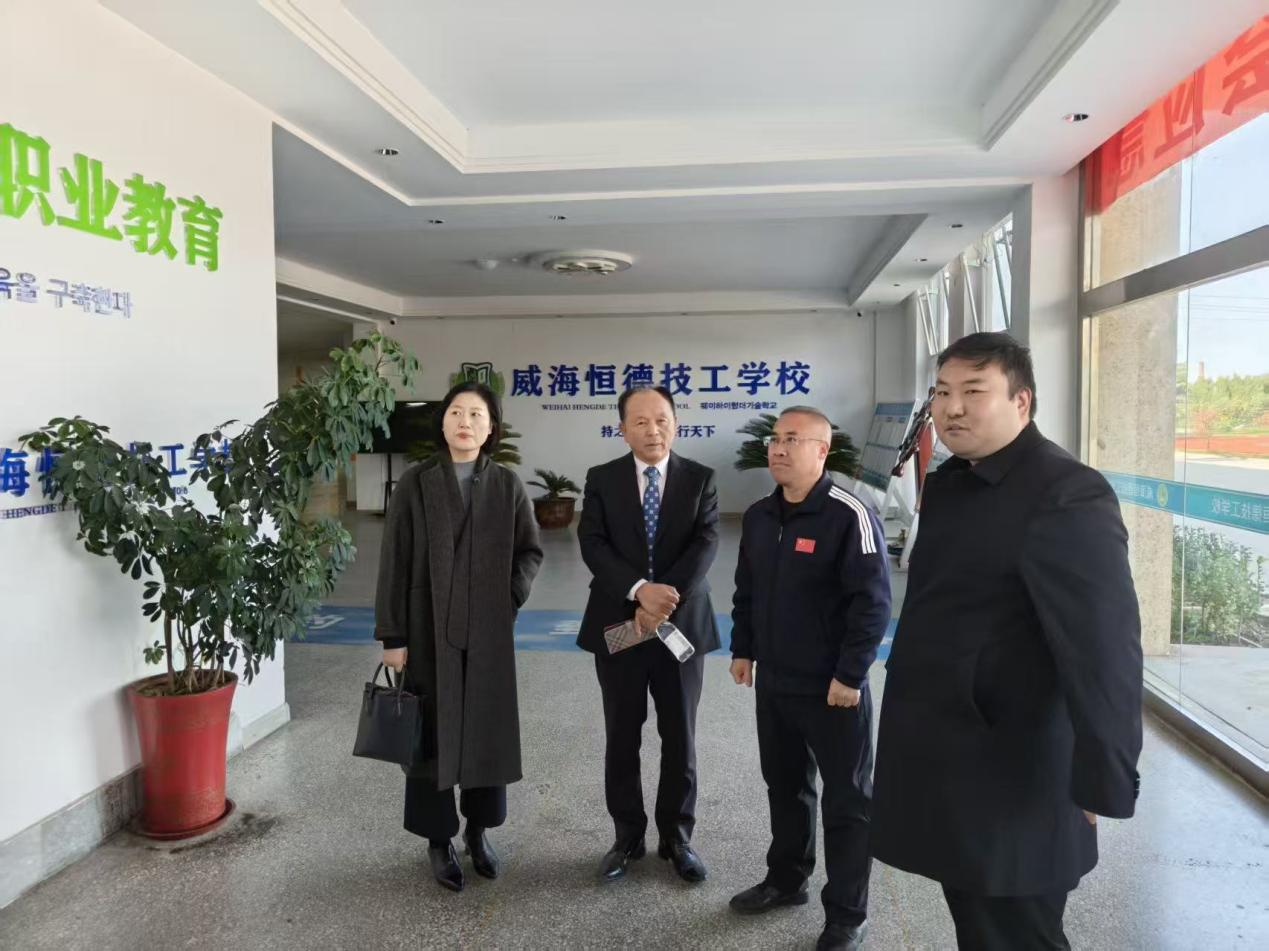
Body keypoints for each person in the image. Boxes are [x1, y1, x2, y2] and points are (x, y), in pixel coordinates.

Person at [871, 332, 1143, 950]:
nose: (952, 408)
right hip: (951, 753)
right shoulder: (952, 482)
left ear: (1022, 401)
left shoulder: (1065, 493)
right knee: (977, 919)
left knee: (1017, 931)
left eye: (974, 392)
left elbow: (1104, 651)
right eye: (942, 392)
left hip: (1017, 768)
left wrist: (1100, 777)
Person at [728, 406, 890, 951]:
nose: (777, 448)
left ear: (822, 450)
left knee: (847, 800)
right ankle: (786, 879)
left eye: (792, 439)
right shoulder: (759, 516)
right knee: (786, 786)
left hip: (833, 690)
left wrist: (850, 675)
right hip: (776, 683)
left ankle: (847, 913)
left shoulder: (849, 513)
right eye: (775, 439)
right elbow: (746, 589)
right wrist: (744, 649)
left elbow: (872, 603)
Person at [374, 381, 543, 893]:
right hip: (426, 630)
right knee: (432, 736)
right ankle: (437, 839)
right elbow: (393, 560)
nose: (464, 421)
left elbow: (529, 551)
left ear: (491, 428)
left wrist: (507, 599)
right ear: (443, 422)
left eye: (476, 414)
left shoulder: (507, 485)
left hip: (488, 634)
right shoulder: (415, 483)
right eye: (455, 412)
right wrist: (393, 635)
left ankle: (478, 831)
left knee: (485, 730)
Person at [577, 385, 721, 884]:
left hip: (681, 625)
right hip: (621, 623)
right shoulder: (601, 478)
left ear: (676, 423)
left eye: (661, 419)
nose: (652, 430)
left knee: (680, 735)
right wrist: (640, 592)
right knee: (622, 734)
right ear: (622, 430)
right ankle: (627, 837)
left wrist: (662, 600)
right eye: (639, 421)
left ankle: (677, 838)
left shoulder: (700, 479)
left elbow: (706, 543)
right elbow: (592, 542)